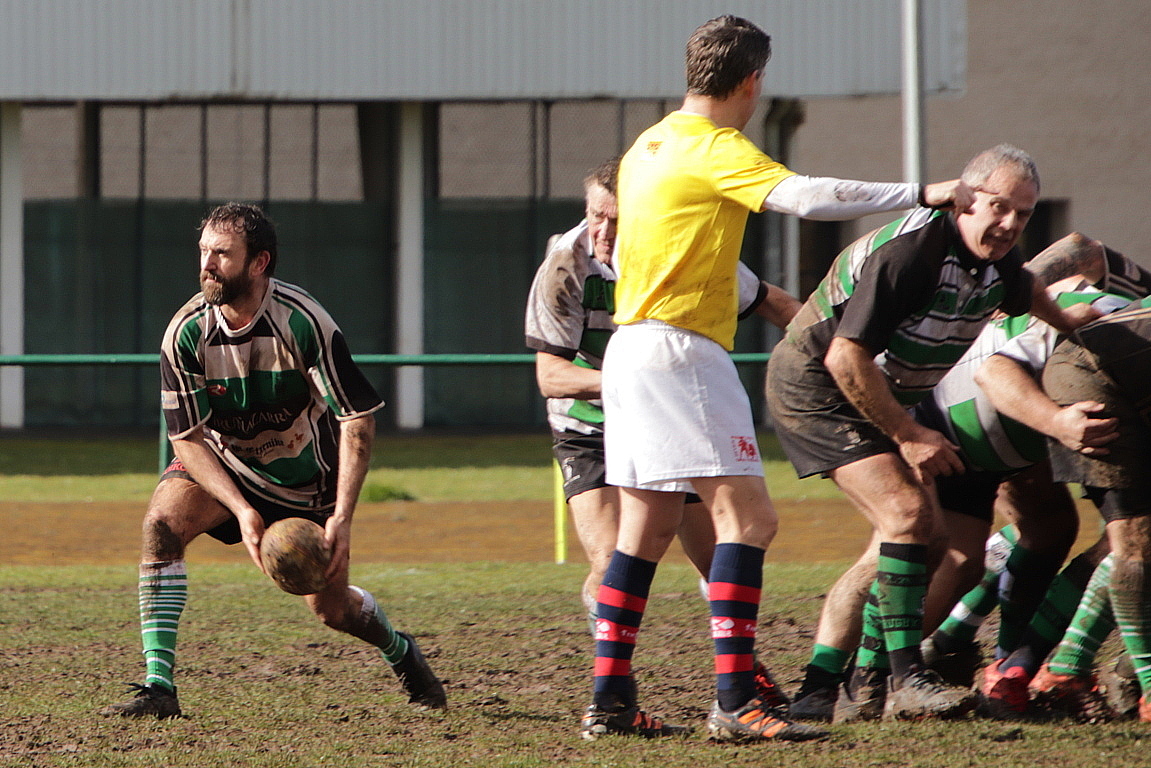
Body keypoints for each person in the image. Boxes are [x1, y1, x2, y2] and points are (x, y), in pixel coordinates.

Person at [582, 14, 976, 743]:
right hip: (678, 350)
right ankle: (735, 700)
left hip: (629, 349)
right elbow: (804, 197)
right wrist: (924, 191)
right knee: (751, 520)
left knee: (646, 528)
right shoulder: (713, 147)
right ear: (753, 80)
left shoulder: (649, 144)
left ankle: (608, 702)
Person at [766, 144, 1100, 723]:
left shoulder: (997, 262)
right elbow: (846, 358)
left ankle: (827, 690)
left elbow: (1025, 288)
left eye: (1022, 213)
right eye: (998, 207)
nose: (1009, 224)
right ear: (963, 198)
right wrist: (908, 434)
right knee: (907, 519)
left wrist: (1067, 320)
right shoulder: (913, 254)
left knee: (928, 547)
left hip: (874, 393)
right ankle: (904, 679)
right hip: (816, 387)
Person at [99, 203, 446, 718]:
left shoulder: (304, 323)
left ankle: (400, 649)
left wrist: (342, 517)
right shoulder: (186, 333)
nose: (207, 264)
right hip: (225, 464)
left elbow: (356, 420)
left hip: (306, 482)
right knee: (161, 524)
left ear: (258, 263)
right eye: (203, 252)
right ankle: (159, 686)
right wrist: (241, 510)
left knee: (332, 611)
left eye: (221, 253)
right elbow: (188, 438)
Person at [525, 156, 800, 624]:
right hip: (588, 427)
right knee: (612, 563)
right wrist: (630, 383)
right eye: (596, 216)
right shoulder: (565, 267)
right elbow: (551, 377)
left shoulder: (686, 253)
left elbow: (773, 303)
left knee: (720, 563)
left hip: (670, 421)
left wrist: (836, 348)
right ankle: (610, 678)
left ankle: (743, 678)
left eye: (619, 218)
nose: (605, 232)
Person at [1035, 293, 1151, 725]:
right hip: (1092, 377)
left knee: (1135, 539)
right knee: (1135, 537)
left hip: (1127, 376)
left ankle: (1066, 668)